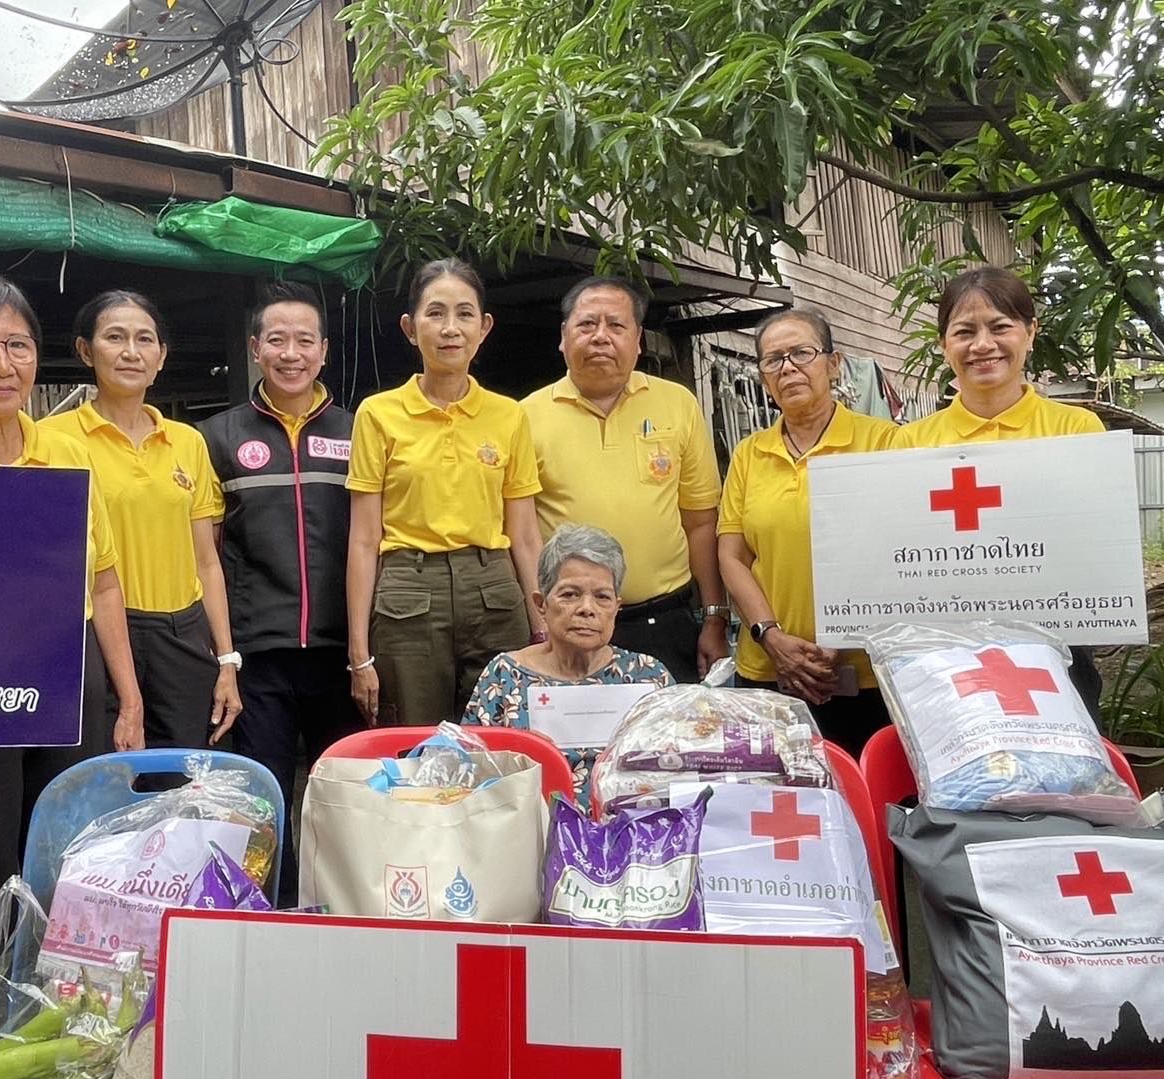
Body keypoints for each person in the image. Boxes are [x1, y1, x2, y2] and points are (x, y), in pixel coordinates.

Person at [0, 270, 143, 1057]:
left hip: (66, 673)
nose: (1, 364)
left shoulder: (68, 457)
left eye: (15, 345)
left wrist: (128, 700)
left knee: (70, 867)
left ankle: (55, 1052)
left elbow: (103, 582)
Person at [201, 281, 359, 906]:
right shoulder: (217, 436)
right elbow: (208, 553)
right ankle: (273, 915)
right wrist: (225, 656)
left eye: (304, 340)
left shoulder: (358, 431)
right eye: (276, 340)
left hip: (341, 652)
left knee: (340, 793)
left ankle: (343, 909)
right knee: (261, 798)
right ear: (255, 348)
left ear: (323, 351)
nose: (290, 353)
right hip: (257, 654)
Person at [892, 265, 1107, 719]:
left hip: (1058, 650)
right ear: (943, 345)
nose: (983, 345)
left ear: (1031, 333)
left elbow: (1096, 546)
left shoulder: (1077, 429)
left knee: (1067, 790)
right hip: (948, 657)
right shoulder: (910, 443)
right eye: (964, 331)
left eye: (1000, 327)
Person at [346, 258, 545, 726]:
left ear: (485, 327)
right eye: (435, 313)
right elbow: (362, 539)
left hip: (495, 590)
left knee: (503, 736)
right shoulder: (378, 414)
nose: (450, 329)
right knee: (417, 738)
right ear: (410, 328)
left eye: (464, 314)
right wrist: (359, 654)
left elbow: (526, 534)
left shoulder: (509, 416)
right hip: (408, 594)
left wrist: (542, 628)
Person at [44, 290, 241, 750]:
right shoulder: (53, 440)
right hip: (98, 635)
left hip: (183, 633)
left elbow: (207, 561)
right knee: (109, 776)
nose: (131, 352)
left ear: (161, 356)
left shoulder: (186, 442)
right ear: (85, 351)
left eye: (144, 339)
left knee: (188, 775)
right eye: (115, 337)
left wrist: (227, 659)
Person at [520, 275, 728, 683]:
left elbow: (701, 522)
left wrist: (715, 618)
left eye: (616, 326)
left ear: (638, 341)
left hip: (666, 621)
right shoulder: (524, 417)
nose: (600, 337)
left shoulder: (678, 404)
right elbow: (523, 536)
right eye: (586, 324)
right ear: (563, 337)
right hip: (569, 631)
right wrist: (542, 627)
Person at [717, 308, 897, 756]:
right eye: (773, 360)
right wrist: (771, 637)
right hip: (767, 668)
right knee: (779, 806)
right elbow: (732, 556)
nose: (788, 368)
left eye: (802, 353)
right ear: (763, 377)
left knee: (868, 802)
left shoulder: (883, 443)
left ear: (833, 365)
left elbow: (894, 550)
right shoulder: (748, 454)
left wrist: (842, 634)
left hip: (866, 671)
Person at [464, 524, 673, 804]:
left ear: (617, 608)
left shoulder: (647, 677)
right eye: (570, 594)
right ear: (541, 604)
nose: (587, 608)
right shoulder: (505, 676)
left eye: (602, 597)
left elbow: (677, 768)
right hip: (530, 832)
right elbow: (469, 773)